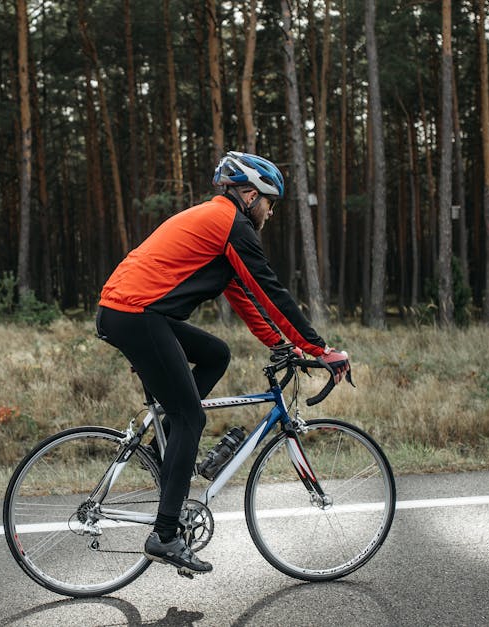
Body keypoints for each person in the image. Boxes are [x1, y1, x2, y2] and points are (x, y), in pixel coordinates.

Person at [95, 150, 351, 575]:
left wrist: (281, 344)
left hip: (131, 313)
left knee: (216, 354)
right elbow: (271, 289)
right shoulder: (231, 224)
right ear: (250, 195)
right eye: (270, 202)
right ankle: (165, 536)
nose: (270, 212)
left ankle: (170, 449)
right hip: (137, 314)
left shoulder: (216, 224)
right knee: (191, 418)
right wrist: (319, 347)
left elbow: (246, 297)